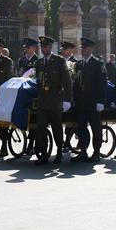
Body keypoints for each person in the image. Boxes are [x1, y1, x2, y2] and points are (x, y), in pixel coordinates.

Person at [34, 36, 72, 165]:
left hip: (55, 101)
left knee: (57, 128)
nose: (43, 49)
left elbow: (67, 81)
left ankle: (59, 153)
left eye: (45, 46)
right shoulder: (38, 63)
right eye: (42, 47)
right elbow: (38, 83)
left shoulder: (59, 61)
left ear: (50, 47)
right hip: (42, 101)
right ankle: (44, 154)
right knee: (41, 129)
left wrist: (67, 100)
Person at [71, 37, 107, 162]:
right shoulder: (79, 64)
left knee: (95, 127)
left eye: (85, 48)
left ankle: (96, 151)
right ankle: (83, 151)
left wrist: (101, 101)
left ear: (91, 49)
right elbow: (76, 84)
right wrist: (74, 100)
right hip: (81, 102)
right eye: (81, 47)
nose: (82, 50)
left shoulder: (98, 63)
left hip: (93, 102)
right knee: (81, 127)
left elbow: (102, 84)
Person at [18, 37, 39, 154]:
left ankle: (31, 145)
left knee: (33, 120)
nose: (26, 50)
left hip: (32, 93)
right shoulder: (22, 60)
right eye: (25, 48)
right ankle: (28, 143)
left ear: (34, 48)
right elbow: (19, 73)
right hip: (23, 91)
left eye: (28, 47)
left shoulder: (37, 60)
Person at [60, 41, 78, 152]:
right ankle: (64, 141)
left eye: (65, 49)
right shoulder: (60, 61)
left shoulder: (75, 62)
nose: (62, 51)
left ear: (71, 50)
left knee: (70, 120)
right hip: (60, 95)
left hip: (71, 95)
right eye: (62, 49)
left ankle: (67, 141)